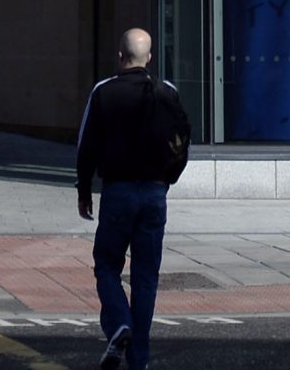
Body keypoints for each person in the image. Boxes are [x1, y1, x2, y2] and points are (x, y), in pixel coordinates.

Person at [76, 27, 191, 370]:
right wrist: (167, 180)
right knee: (145, 276)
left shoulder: (104, 92)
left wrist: (84, 190)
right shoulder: (167, 92)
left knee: (107, 265)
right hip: (155, 193)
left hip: (118, 191)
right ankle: (138, 358)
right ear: (149, 58)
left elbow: (86, 146)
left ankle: (118, 323)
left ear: (119, 56)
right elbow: (184, 144)